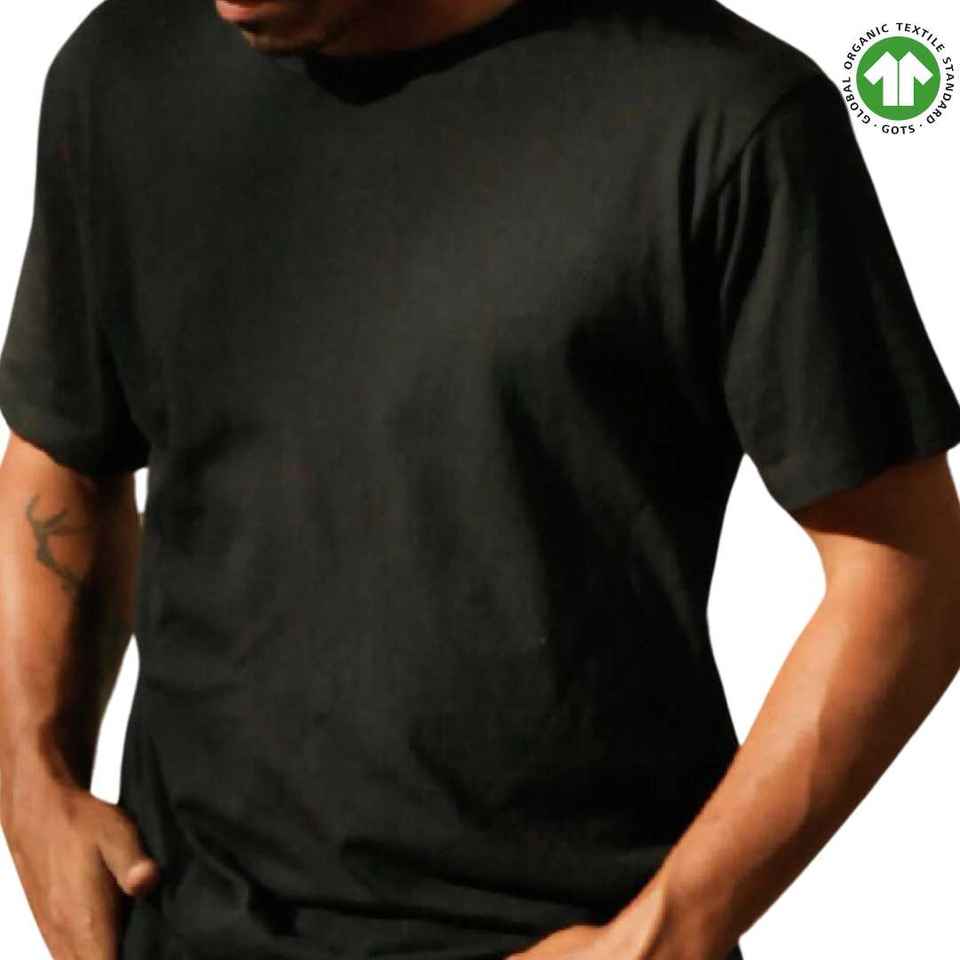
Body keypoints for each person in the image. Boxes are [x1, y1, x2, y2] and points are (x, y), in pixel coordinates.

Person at [1, 0, 959, 957]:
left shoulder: (724, 113)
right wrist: (30, 778)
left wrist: (670, 930)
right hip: (180, 921)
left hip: (550, 932)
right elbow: (63, 454)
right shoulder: (123, 72)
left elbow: (909, 578)